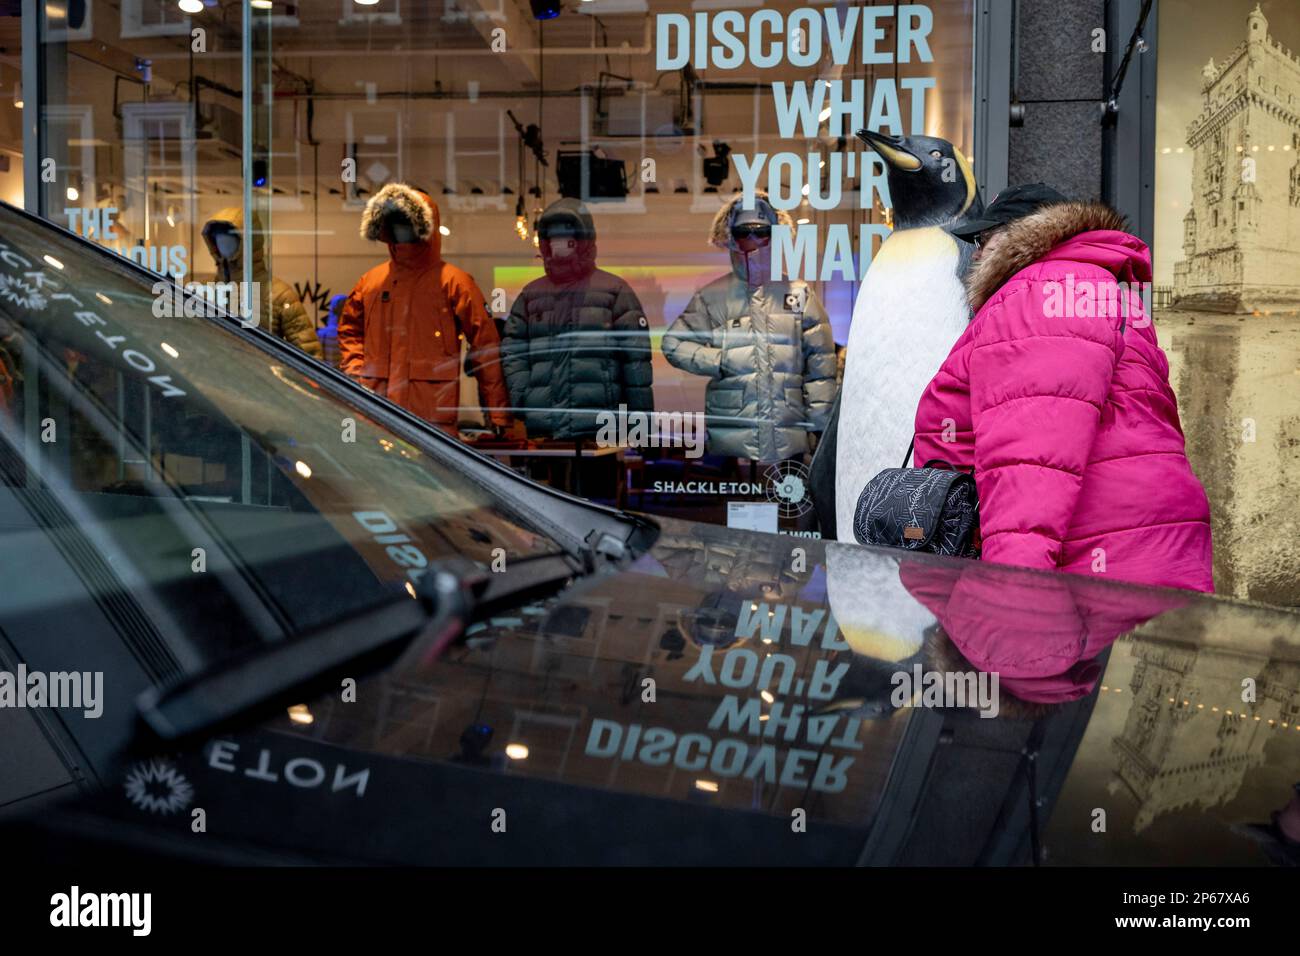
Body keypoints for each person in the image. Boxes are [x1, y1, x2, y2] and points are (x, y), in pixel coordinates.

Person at [913, 186, 1214, 592]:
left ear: (1019, 235)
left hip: (1090, 575)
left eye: (984, 241)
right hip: (1143, 553)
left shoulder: (1038, 294)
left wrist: (1012, 600)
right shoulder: (1104, 293)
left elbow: (1031, 468)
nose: (978, 255)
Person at [661, 191, 835, 461]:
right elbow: (672, 344)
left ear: (774, 235)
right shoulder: (712, 297)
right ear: (732, 238)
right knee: (736, 499)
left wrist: (819, 428)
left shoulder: (798, 294)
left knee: (786, 500)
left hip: (787, 433)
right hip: (733, 434)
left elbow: (820, 369)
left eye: (761, 231)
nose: (753, 240)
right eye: (744, 232)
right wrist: (721, 360)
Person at [339, 183, 511, 435]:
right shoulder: (370, 283)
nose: (401, 231)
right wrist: (357, 375)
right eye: (395, 223)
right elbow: (350, 333)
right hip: (378, 411)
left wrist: (498, 412)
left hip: (431, 418)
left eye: (407, 222)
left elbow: (485, 345)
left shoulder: (454, 282)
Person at [500, 198, 653, 440]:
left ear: (585, 240)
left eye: (568, 234)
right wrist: (523, 399)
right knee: (540, 481)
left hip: (600, 428)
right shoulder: (531, 295)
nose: (560, 242)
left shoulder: (614, 291)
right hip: (545, 428)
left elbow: (635, 360)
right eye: (553, 236)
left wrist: (641, 426)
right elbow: (512, 352)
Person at [201, 207, 322, 358]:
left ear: (248, 241)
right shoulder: (207, 293)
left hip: (263, 379)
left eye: (229, 235)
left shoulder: (279, 294)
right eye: (217, 236)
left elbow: (309, 352)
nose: (222, 242)